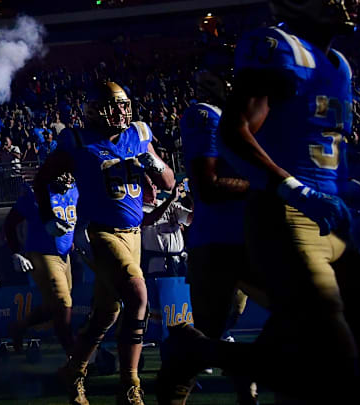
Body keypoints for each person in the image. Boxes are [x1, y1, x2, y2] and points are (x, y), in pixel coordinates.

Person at [161, 1, 360, 402]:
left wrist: (352, 189)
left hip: (333, 221)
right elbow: (234, 132)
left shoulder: (339, 65)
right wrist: (296, 190)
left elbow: (323, 154)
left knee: (348, 354)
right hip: (288, 214)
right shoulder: (278, 47)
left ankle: (202, 350)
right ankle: (199, 350)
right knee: (337, 363)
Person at [36, 81, 175, 405]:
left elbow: (167, 180)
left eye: (125, 105)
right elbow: (42, 179)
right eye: (115, 106)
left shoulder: (138, 134)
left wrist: (150, 161)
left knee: (106, 314)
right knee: (138, 295)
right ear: (95, 110)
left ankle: (75, 372)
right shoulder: (78, 139)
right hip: (99, 233)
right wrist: (47, 217)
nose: (122, 112)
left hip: (134, 234)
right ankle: (130, 385)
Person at [157, 58, 264, 405]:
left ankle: (200, 369)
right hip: (219, 239)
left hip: (251, 235)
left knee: (214, 332)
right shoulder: (205, 116)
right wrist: (269, 185)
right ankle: (239, 365)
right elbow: (208, 185)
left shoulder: (244, 117)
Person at [4, 172, 78, 357]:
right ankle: (74, 356)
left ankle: (19, 327)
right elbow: (10, 223)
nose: (68, 177)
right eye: (64, 173)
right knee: (63, 303)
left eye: (70, 173)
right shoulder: (36, 194)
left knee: (54, 306)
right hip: (42, 254)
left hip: (64, 255)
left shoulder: (75, 191)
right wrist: (16, 252)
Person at [140, 182, 192, 277]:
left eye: (153, 184)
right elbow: (151, 218)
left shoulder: (171, 206)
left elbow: (191, 219)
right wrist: (171, 199)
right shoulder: (138, 209)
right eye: (148, 185)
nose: (153, 187)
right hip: (155, 267)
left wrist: (192, 196)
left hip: (179, 264)